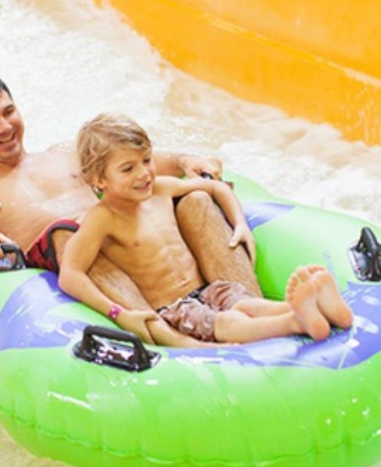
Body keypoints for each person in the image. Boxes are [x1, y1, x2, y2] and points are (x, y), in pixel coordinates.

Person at [0, 72, 260, 347]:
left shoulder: (66, 153)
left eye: (8, 111)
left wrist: (186, 160)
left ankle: (253, 308)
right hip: (86, 263)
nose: (4, 127)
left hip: (135, 247)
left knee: (196, 199)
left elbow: (133, 161)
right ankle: (166, 340)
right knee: (67, 232)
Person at [59, 114, 354, 343]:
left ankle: (317, 307)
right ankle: (295, 322)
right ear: (99, 180)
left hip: (210, 289)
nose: (144, 173)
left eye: (147, 160)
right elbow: (71, 274)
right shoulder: (102, 218)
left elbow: (214, 188)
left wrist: (240, 224)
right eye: (128, 168)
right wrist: (118, 313)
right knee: (226, 323)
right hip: (175, 309)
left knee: (247, 305)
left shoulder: (161, 189)